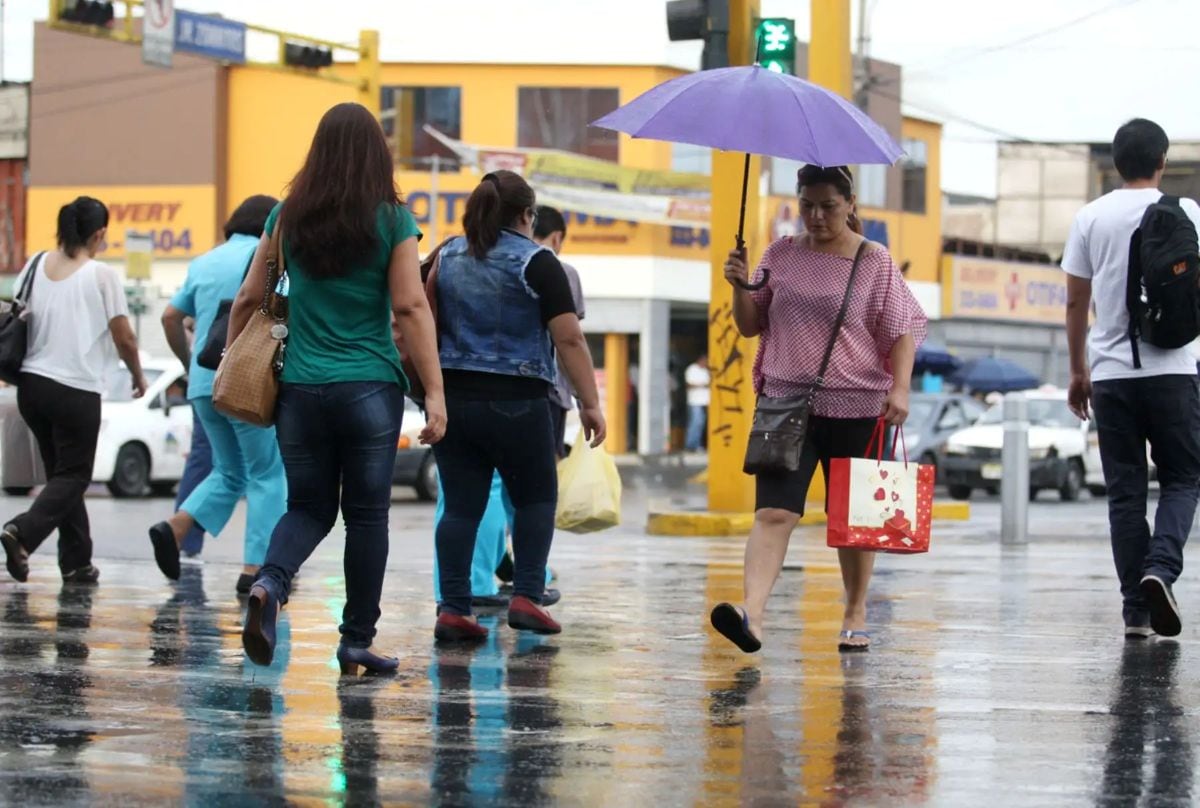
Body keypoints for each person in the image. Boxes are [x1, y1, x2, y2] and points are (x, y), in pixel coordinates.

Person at [231, 102, 445, 676]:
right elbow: (410, 305)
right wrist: (435, 392)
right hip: (368, 389)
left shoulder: (287, 216)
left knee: (308, 506)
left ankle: (270, 584)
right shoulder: (393, 220)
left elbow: (249, 296)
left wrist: (232, 360)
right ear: (378, 154)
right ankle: (356, 641)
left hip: (299, 390)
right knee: (367, 518)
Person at [711, 165, 926, 653]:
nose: (816, 216)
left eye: (828, 206)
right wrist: (740, 285)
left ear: (850, 204)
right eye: (807, 205)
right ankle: (752, 616)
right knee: (773, 512)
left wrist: (901, 389)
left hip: (859, 408)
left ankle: (855, 611)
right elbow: (750, 326)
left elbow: (901, 332)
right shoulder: (780, 254)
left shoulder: (873, 260)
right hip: (785, 406)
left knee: (855, 522)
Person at [431, 169, 605, 643]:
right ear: (528, 215)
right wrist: (590, 403)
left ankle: (453, 608)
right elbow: (569, 339)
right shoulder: (538, 262)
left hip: (454, 399)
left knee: (460, 507)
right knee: (535, 498)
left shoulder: (446, 255)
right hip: (519, 400)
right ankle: (527, 594)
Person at [1063, 118, 1200, 640]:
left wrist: (1078, 371)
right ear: (1163, 161)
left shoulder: (1090, 217)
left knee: (1125, 494)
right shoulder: (1188, 212)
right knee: (1183, 479)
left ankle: (1135, 614)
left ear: (1117, 164)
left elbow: (1076, 303)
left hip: (1112, 376)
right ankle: (1160, 569)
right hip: (1173, 370)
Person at [0, 197, 148, 584]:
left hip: (31, 387)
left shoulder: (34, 264)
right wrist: (137, 375)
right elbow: (124, 336)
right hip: (75, 389)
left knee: (62, 477)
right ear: (99, 234)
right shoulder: (100, 275)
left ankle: (77, 561)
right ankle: (21, 533)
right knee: (74, 476)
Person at [148, 195, 289, 595]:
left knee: (229, 471)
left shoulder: (204, 262)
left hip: (203, 381)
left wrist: (189, 362)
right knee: (266, 473)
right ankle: (256, 568)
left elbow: (170, 316)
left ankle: (176, 527)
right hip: (246, 381)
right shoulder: (269, 256)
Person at [532, 205, 587, 459]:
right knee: (545, 469)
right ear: (556, 237)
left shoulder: (498, 266)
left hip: (502, 390)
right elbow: (569, 340)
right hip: (550, 391)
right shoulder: (563, 272)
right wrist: (586, 400)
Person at [685, 355, 710, 452]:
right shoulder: (692, 369)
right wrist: (702, 385)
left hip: (705, 401)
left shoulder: (706, 371)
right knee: (695, 422)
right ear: (701, 360)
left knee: (701, 423)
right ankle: (691, 445)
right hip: (695, 401)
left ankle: (697, 444)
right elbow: (688, 384)